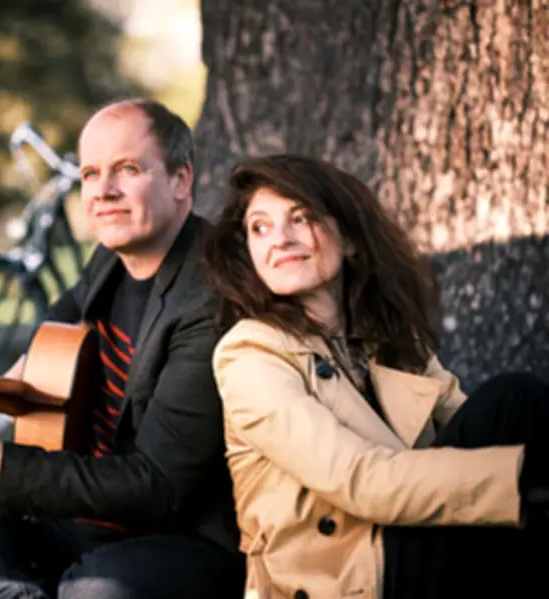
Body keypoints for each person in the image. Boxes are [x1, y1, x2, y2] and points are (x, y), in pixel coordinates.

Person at [0, 98, 246, 599]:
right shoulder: (113, 257)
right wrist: (1, 389)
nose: (104, 191)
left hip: (182, 537)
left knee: (96, 589)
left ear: (181, 180)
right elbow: (61, 314)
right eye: (91, 174)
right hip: (91, 513)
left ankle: (10, 580)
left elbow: (159, 487)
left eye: (127, 169)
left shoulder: (210, 299)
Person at [201, 153, 549, 599]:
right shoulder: (248, 354)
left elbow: (473, 423)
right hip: (344, 580)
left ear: (349, 241)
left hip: (409, 543)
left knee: (513, 403)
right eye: (260, 228)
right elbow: (361, 482)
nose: (280, 240)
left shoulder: (385, 335)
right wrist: (523, 475)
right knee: (515, 418)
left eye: (300, 218)